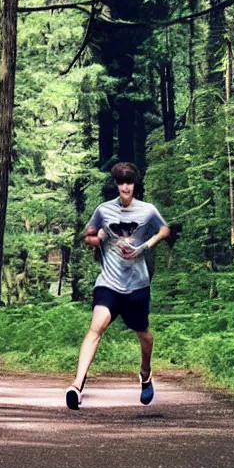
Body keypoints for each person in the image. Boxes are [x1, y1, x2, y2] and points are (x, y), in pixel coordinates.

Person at [65, 162, 170, 410]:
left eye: (129, 182)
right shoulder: (103, 211)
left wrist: (145, 246)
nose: (125, 187)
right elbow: (87, 235)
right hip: (109, 283)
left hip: (137, 286)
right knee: (96, 327)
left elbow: (165, 229)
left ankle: (145, 374)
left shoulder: (147, 211)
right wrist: (98, 237)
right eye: (121, 182)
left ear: (135, 184)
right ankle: (77, 386)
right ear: (115, 184)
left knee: (144, 335)